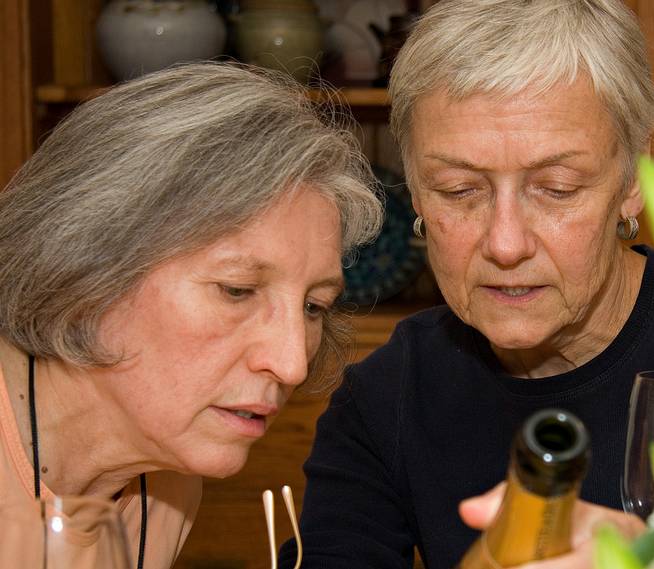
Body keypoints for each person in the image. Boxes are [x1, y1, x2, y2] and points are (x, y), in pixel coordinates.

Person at [279, 1, 654, 568]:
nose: (506, 245)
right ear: (413, 189)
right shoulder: (386, 398)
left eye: (556, 188)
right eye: (459, 190)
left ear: (631, 180)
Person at [0, 62, 382, 568]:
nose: (292, 365)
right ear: (84, 267)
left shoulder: (168, 481)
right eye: (237, 290)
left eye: (314, 307)